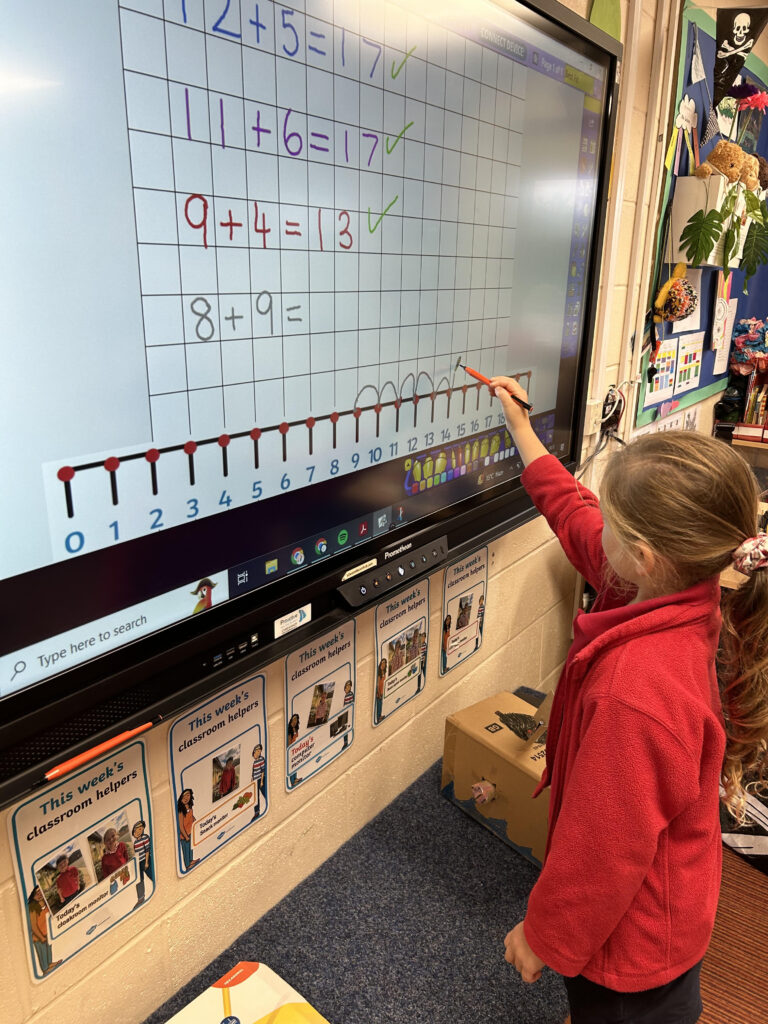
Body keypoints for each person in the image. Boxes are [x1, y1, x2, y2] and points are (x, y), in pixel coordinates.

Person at [491, 375, 768, 1024]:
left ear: (642, 556)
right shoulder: (678, 589)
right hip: (671, 910)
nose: (599, 529)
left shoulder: (634, 693)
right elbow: (577, 516)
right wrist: (522, 432)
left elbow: (602, 854)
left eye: (612, 521)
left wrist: (543, 938)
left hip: (636, 948)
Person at [27, 886, 61, 974]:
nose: (39, 895)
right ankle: (45, 969)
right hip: (38, 936)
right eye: (36, 893)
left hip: (47, 932)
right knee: (42, 951)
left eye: (40, 892)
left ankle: (50, 964)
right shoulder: (32, 907)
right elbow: (33, 926)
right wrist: (41, 937)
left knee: (48, 949)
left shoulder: (45, 902)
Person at [177, 789, 199, 870]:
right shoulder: (180, 810)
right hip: (184, 834)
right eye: (184, 796)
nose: (186, 798)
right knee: (185, 849)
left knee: (191, 847)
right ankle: (187, 865)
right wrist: (185, 836)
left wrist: (194, 820)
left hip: (191, 831)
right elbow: (181, 825)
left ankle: (191, 860)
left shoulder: (189, 806)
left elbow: (191, 816)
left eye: (188, 795)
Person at [132, 820, 152, 905]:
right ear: (135, 830)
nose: (141, 831)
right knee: (139, 880)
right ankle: (141, 898)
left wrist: (147, 862)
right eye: (139, 829)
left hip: (145, 860)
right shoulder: (135, 842)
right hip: (138, 862)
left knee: (151, 874)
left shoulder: (145, 837)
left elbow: (147, 850)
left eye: (142, 829)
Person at [251, 743, 266, 818]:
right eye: (257, 751)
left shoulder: (261, 759)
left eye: (260, 752)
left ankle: (268, 802)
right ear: (254, 751)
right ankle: (257, 812)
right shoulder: (253, 761)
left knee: (264, 792)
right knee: (256, 797)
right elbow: (253, 771)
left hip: (260, 779)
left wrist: (262, 781)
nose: (258, 753)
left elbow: (263, 770)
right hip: (255, 781)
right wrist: (252, 779)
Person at [375, 658, 387, 724]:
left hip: (382, 691)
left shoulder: (384, 672)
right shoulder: (379, 673)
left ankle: (380, 716)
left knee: (381, 704)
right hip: (379, 692)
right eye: (382, 663)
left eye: (384, 663)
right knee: (379, 705)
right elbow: (377, 684)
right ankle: (378, 718)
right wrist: (379, 693)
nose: (383, 664)